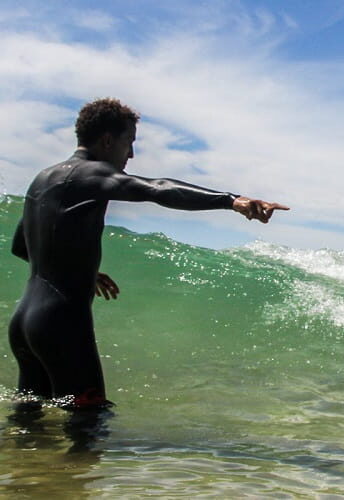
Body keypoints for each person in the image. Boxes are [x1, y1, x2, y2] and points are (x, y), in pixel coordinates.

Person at [8, 97, 289, 409]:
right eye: (129, 142)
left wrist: (80, 268)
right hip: (61, 323)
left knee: (28, 425)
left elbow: (21, 245)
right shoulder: (92, 173)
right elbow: (156, 188)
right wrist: (231, 200)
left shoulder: (44, 179)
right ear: (107, 140)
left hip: (24, 324)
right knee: (89, 420)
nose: (130, 154)